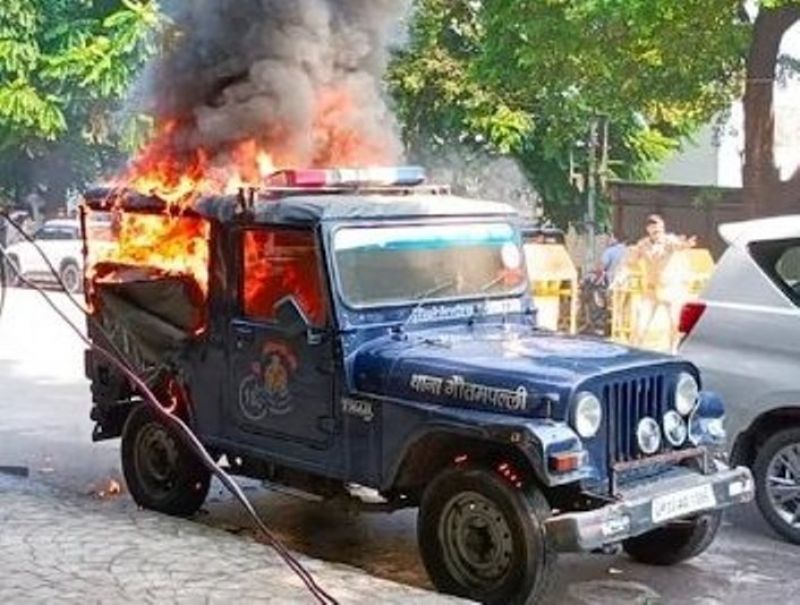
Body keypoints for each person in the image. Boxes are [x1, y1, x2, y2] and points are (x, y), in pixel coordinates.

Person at [627, 214, 696, 351]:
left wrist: (686, 244)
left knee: (674, 323)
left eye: (659, 229)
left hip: (669, 289)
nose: (658, 233)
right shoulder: (643, 244)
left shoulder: (669, 240)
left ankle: (673, 351)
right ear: (648, 230)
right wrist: (632, 255)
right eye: (654, 230)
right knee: (641, 324)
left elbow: (678, 245)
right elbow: (632, 262)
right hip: (651, 290)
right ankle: (635, 351)